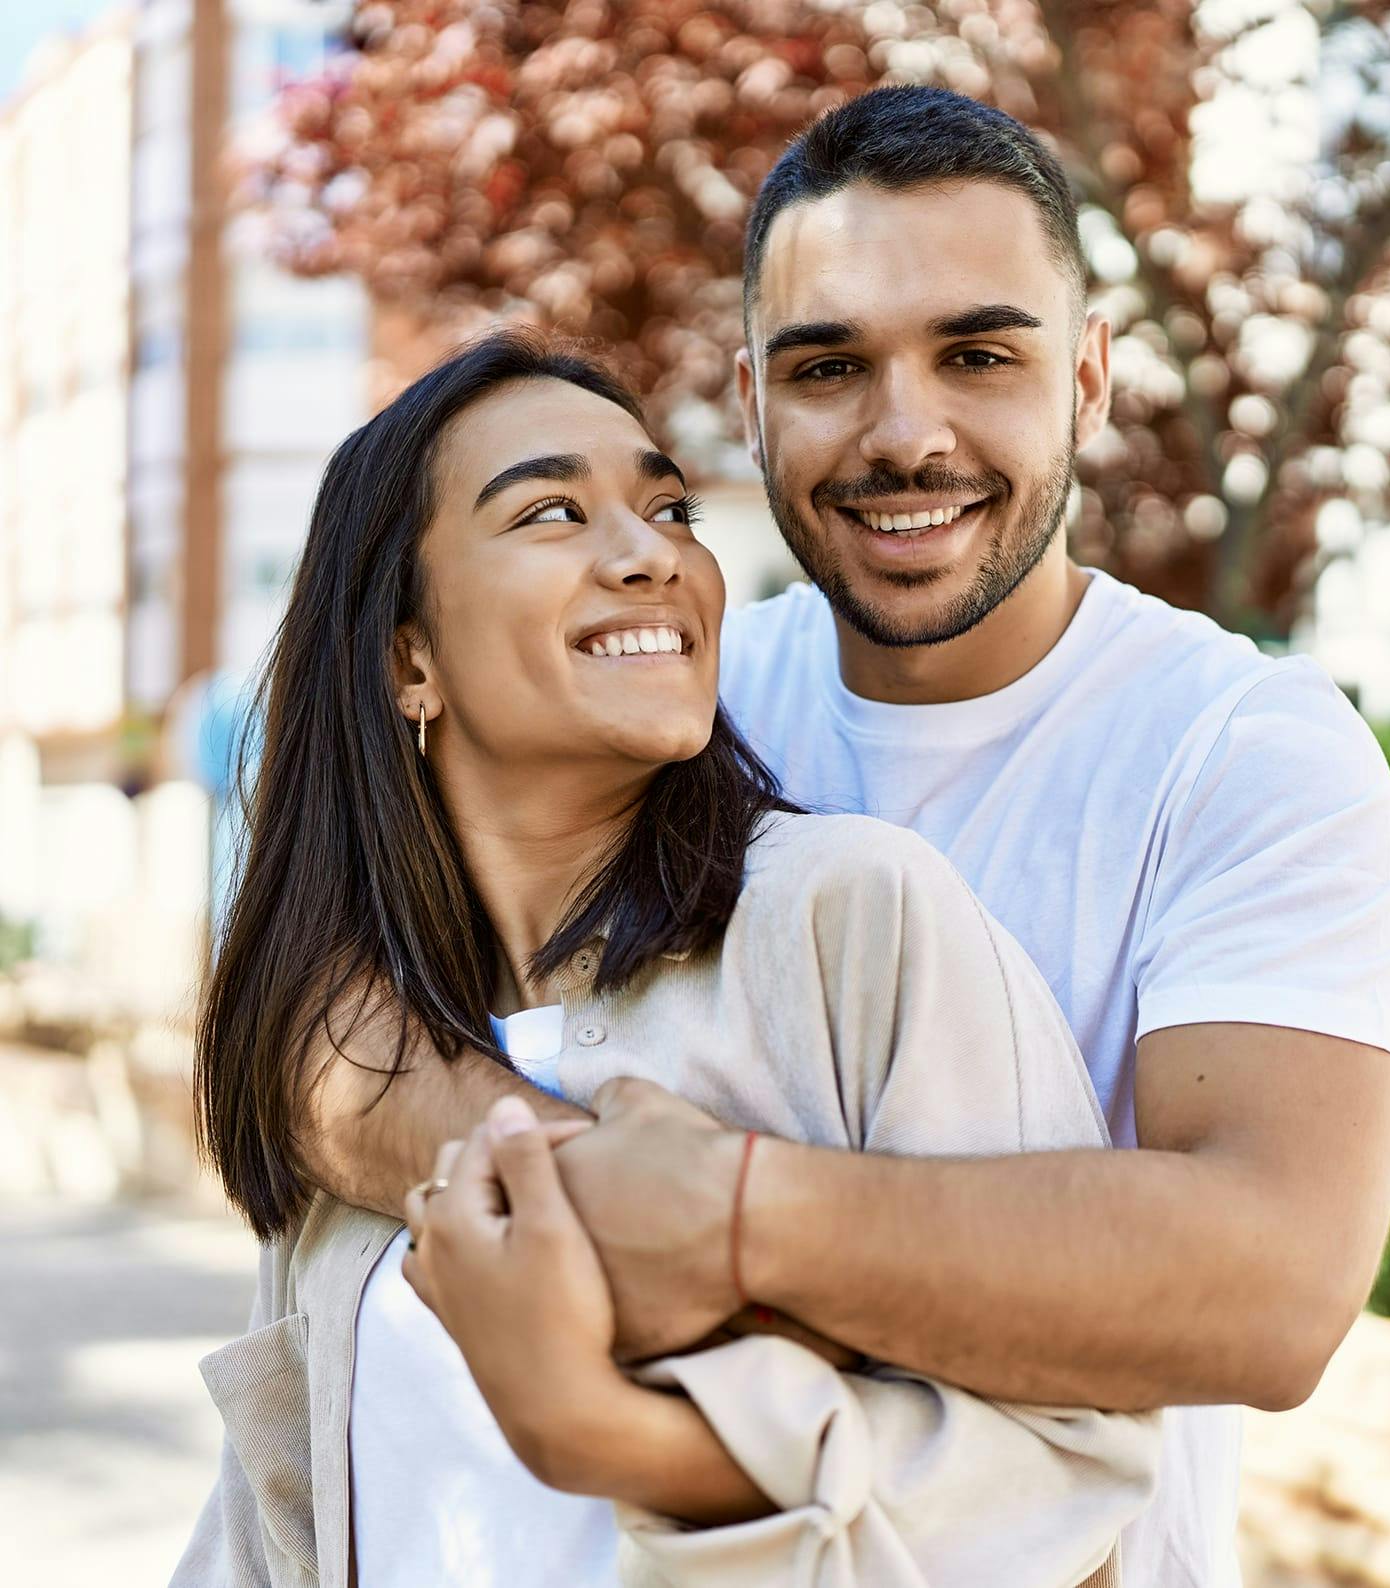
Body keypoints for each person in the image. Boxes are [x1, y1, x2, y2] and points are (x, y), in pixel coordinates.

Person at [297, 86, 1390, 1587]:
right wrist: (568, 1188)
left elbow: (1271, 1293)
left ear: (1086, 379)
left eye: (978, 354)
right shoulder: (682, 692)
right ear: (751, 408)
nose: (905, 434)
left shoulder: (1242, 752)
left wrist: (734, 1217)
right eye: (829, 367)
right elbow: (319, 997)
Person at [174, 329, 1159, 1588]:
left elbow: (1054, 1478)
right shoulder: (359, 1052)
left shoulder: (846, 918)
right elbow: (271, 1528)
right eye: (549, 511)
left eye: (666, 507)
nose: (650, 554)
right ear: (407, 658)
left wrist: (610, 1437)